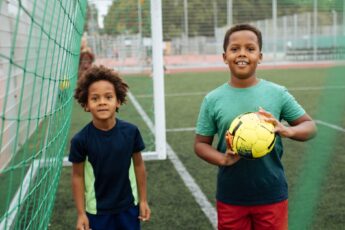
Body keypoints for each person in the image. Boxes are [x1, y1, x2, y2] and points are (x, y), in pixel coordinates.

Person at [194, 24, 317, 230]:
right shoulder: (213, 99)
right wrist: (223, 159)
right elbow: (200, 144)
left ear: (260, 56)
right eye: (235, 49)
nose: (242, 54)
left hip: (271, 193)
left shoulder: (277, 93)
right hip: (231, 195)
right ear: (225, 57)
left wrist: (288, 131)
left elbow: (310, 126)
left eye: (250, 49)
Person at [69, 65, 151, 230]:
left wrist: (143, 200)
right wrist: (81, 214)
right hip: (97, 211)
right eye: (95, 98)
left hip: (129, 206)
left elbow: (138, 165)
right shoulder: (80, 140)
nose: (102, 103)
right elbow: (77, 177)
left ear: (118, 101)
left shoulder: (131, 132)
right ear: (86, 104)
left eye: (108, 97)